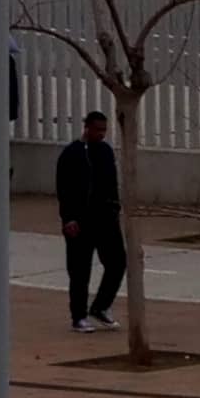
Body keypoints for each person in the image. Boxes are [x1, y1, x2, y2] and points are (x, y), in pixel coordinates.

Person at [54, 112, 127, 333]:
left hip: (105, 219)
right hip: (80, 221)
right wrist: (69, 219)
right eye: (97, 129)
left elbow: (111, 182)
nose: (101, 134)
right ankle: (78, 316)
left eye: (104, 130)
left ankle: (101, 306)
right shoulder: (72, 154)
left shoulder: (105, 152)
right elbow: (63, 189)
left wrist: (114, 207)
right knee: (79, 271)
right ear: (86, 128)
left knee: (117, 263)